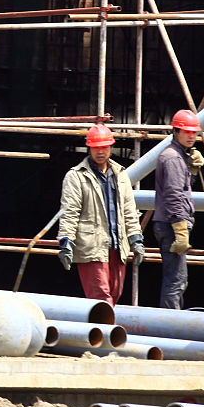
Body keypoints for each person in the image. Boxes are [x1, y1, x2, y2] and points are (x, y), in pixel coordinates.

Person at [56, 124, 144, 304]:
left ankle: (104, 330)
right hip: (92, 246)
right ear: (89, 148)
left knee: (115, 293)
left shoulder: (120, 174)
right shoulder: (76, 177)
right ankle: (104, 331)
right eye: (96, 148)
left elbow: (129, 209)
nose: (100, 151)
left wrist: (136, 239)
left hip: (117, 246)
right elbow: (70, 212)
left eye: (104, 147)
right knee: (101, 298)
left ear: (111, 147)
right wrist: (66, 241)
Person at [152, 108, 204, 309]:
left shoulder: (178, 156)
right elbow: (173, 195)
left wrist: (191, 170)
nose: (192, 136)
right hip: (171, 225)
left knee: (177, 279)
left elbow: (182, 187)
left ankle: (172, 321)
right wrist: (180, 229)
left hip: (170, 223)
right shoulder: (173, 157)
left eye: (194, 132)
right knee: (176, 281)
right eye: (187, 131)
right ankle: (171, 326)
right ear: (176, 131)